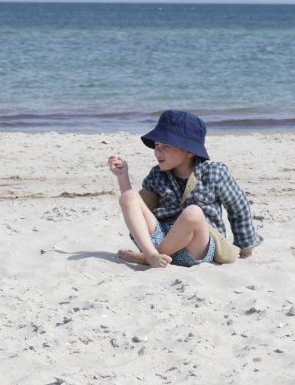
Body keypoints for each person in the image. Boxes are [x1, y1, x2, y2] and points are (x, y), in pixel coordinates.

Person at [108, 109, 262, 268]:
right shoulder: (157, 175)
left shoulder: (214, 173)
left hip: (196, 247)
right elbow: (138, 209)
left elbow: (238, 207)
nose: (157, 151)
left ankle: (148, 258)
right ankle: (150, 255)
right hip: (160, 240)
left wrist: (245, 246)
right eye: (156, 145)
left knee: (193, 213)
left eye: (166, 146)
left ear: (189, 151)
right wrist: (122, 177)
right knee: (129, 196)